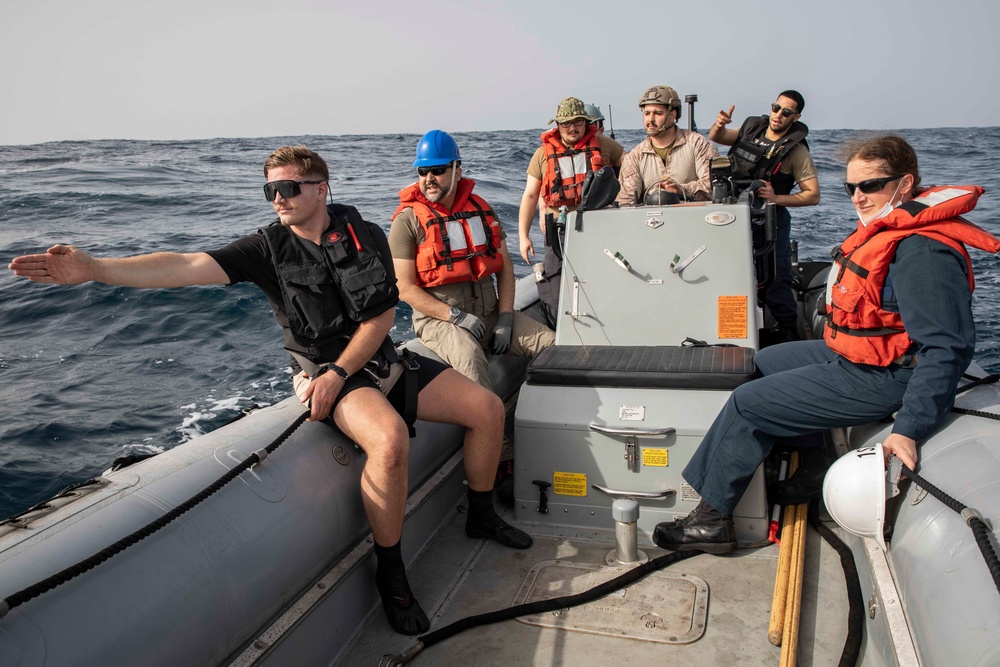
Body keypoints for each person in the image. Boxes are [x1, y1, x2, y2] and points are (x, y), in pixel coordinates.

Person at [7, 145, 533, 635]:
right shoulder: (266, 249)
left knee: (486, 408)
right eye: (271, 191)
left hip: (375, 364)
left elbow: (381, 315)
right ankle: (391, 574)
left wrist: (344, 371)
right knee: (390, 440)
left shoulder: (365, 232)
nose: (279, 199)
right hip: (331, 376)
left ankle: (481, 516)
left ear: (322, 188)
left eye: (290, 188)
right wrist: (96, 269)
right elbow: (186, 265)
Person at [651, 135, 999, 554]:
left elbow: (946, 348)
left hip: (890, 375)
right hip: (859, 357)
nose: (858, 197)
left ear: (905, 185)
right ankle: (815, 468)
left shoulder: (922, 250)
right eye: (850, 187)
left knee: (748, 402)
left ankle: (711, 521)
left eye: (870, 186)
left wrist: (909, 428)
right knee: (764, 361)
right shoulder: (892, 229)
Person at [389, 130, 555, 502]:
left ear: (457, 169)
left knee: (554, 347)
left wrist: (508, 317)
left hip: (491, 313)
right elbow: (404, 288)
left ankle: (551, 430)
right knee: (474, 371)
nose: (428, 179)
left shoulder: (481, 209)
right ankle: (504, 462)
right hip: (441, 320)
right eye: (422, 171)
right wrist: (454, 316)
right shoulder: (407, 222)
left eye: (437, 170)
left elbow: (505, 269)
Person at [708, 91, 821, 340]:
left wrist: (775, 198)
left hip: (771, 219)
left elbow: (813, 195)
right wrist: (719, 124)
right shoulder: (752, 128)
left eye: (786, 112)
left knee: (776, 276)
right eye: (776, 108)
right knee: (729, 273)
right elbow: (719, 137)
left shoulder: (796, 151)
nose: (778, 115)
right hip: (733, 214)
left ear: (796, 116)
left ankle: (788, 331)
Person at [517, 97, 624, 323]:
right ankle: (561, 327)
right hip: (557, 231)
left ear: (586, 123)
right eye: (566, 123)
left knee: (599, 280)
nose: (572, 128)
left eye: (577, 122)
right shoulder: (542, 154)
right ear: (557, 125)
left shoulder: (605, 145)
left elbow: (632, 165)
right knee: (555, 286)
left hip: (598, 229)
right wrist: (523, 237)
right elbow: (529, 195)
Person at [616, 85, 718, 206]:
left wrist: (681, 190)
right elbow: (626, 202)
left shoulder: (698, 144)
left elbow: (715, 187)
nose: (650, 120)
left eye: (658, 113)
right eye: (647, 113)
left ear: (672, 115)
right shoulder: (634, 157)